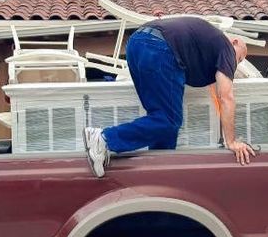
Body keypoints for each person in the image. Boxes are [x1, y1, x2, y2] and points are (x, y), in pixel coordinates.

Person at [83, 16, 255, 177]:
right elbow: (226, 97)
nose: (235, 65)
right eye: (239, 58)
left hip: (137, 43)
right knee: (169, 120)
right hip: (160, 48)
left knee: (162, 122)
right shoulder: (226, 47)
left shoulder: (207, 45)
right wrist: (231, 142)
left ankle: (158, 175)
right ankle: (104, 138)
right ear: (235, 42)